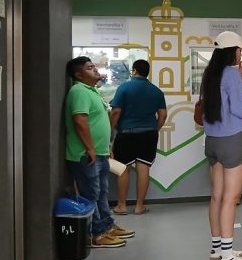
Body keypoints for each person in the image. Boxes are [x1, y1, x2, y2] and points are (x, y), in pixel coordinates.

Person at [201, 31, 242, 260]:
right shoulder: (231, 74)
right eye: (239, 50)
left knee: (217, 195)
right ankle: (228, 256)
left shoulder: (210, 73)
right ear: (233, 51)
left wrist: (241, 78)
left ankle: (218, 249)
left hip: (213, 140)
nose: (241, 54)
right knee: (231, 198)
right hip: (234, 140)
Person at [64, 57, 135, 248]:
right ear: (78, 75)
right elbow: (80, 120)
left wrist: (105, 149)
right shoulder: (79, 91)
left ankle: (107, 226)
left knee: (102, 192)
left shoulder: (92, 91)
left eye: (94, 66)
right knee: (91, 193)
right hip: (85, 154)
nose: (95, 69)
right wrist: (90, 148)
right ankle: (97, 234)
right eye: (89, 68)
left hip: (99, 153)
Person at [109, 59, 167, 215]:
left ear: (134, 71)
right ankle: (139, 206)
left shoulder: (124, 87)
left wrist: (111, 130)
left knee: (123, 169)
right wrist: (154, 129)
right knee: (143, 169)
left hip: (126, 133)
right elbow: (163, 115)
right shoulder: (156, 91)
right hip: (148, 135)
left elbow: (115, 112)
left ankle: (121, 206)